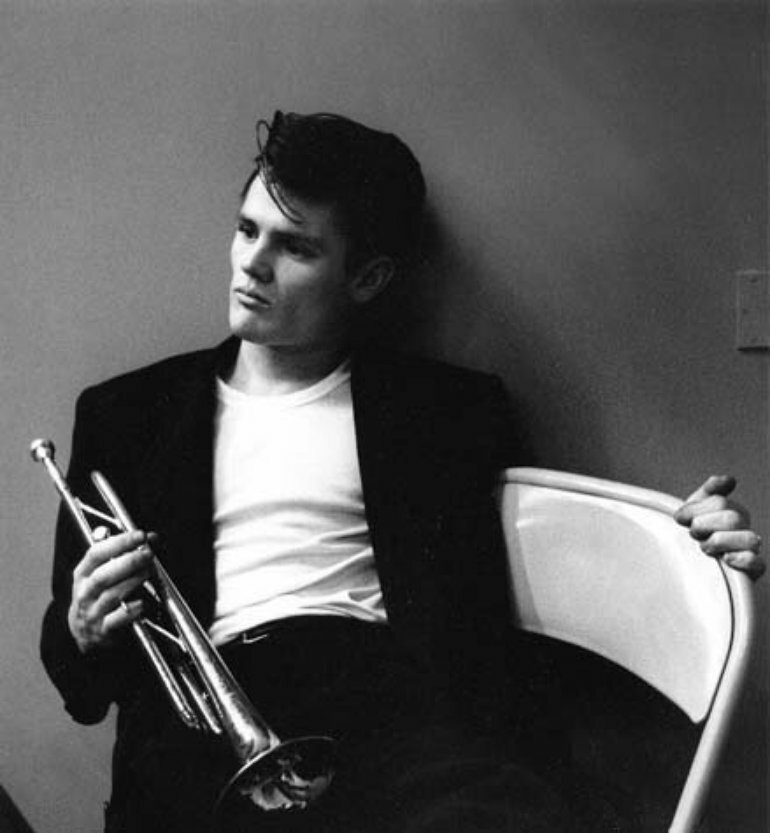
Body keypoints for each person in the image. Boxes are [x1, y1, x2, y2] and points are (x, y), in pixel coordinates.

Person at [40, 111, 764, 833]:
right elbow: (82, 692)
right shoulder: (126, 416)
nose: (252, 264)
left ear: (368, 277)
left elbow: (540, 593)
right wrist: (83, 627)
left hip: (392, 712)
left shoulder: (448, 411)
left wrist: (695, 547)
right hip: (203, 731)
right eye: (247, 229)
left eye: (295, 247)